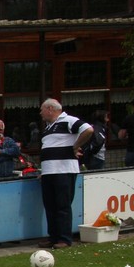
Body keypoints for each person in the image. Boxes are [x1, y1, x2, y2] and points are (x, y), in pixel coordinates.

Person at [38, 98, 93, 249]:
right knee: (50, 205)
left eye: (42, 109)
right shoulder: (48, 127)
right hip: (49, 172)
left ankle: (64, 238)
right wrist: (45, 171)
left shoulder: (68, 120)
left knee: (62, 205)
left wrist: (76, 146)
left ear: (50, 109)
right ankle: (53, 237)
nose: (41, 113)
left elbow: (88, 129)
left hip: (64, 170)